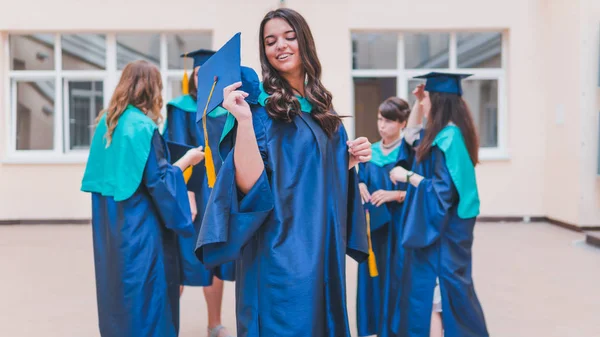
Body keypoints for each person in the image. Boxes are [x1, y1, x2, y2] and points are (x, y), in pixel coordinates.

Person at [194, 9, 372, 337]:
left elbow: (309, 175)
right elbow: (251, 187)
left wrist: (345, 161)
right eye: (270, 41)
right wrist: (244, 122)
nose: (281, 46)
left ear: (305, 41)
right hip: (279, 252)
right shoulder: (260, 109)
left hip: (321, 249)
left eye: (289, 36)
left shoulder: (322, 108)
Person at [80, 60, 203, 337]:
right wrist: (186, 160)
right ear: (152, 89)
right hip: (141, 228)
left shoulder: (107, 124)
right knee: (148, 295)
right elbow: (159, 182)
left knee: (119, 292)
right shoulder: (142, 127)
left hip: (111, 228)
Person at [387, 72, 489, 337]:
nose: (422, 104)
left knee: (433, 297)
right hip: (445, 230)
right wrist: (420, 99)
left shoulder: (449, 139)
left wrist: (409, 177)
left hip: (443, 234)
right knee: (440, 298)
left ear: (439, 101)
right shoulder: (445, 134)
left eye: (427, 99)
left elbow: (442, 193)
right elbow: (411, 140)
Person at [163, 49, 235, 337]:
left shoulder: (224, 107)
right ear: (191, 78)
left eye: (206, 75)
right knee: (180, 257)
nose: (200, 79)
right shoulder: (180, 108)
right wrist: (188, 194)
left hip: (217, 193)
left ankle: (214, 323)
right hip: (192, 193)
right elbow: (178, 150)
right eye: (196, 74)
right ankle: (167, 326)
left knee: (213, 257)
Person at [355, 97, 410, 337]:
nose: (382, 125)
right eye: (380, 119)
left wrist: (395, 194)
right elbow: (359, 179)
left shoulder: (409, 153)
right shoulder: (371, 153)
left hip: (400, 226)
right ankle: (373, 329)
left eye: (388, 121)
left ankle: (395, 330)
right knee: (372, 276)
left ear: (403, 123)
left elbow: (422, 191)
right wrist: (358, 185)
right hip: (372, 226)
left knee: (397, 275)